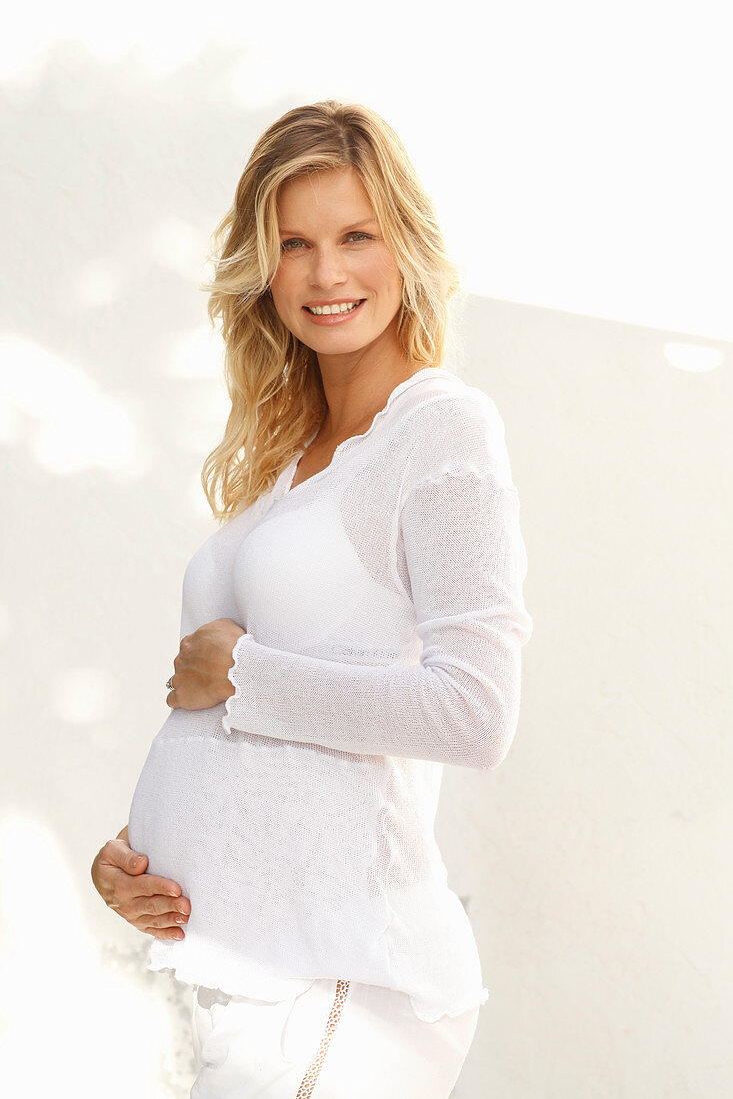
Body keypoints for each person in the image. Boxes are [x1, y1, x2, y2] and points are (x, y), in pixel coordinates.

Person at [91, 99, 533, 1098]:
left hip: (342, 970)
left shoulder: (441, 430)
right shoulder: (289, 461)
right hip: (233, 963)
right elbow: (227, 731)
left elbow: (476, 712)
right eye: (293, 243)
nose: (325, 274)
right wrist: (135, 852)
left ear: (403, 247)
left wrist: (243, 673)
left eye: (354, 236)